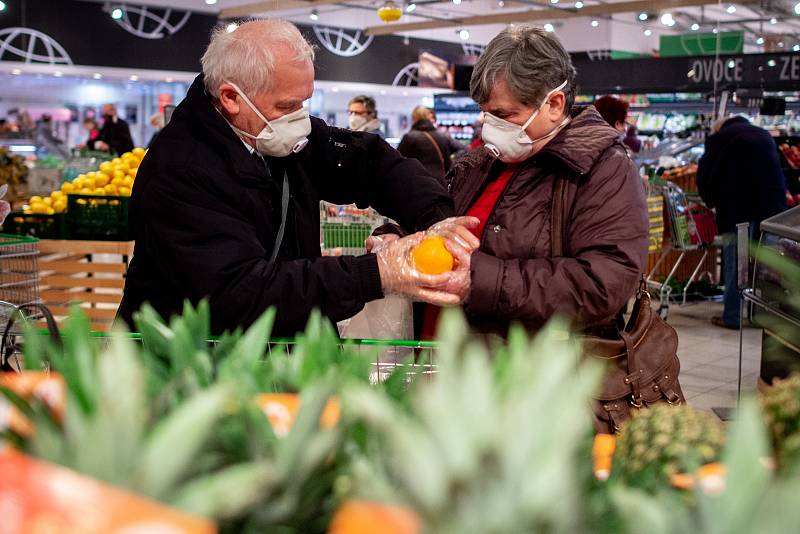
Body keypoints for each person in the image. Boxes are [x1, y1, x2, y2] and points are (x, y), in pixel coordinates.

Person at [118, 19, 476, 336]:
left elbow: (373, 163)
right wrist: (377, 272)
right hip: (188, 368)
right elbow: (240, 293)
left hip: (273, 359)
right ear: (230, 97)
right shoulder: (181, 171)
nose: (300, 119)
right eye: (287, 106)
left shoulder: (279, 137)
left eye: (304, 102)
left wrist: (436, 220)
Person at [417, 25, 648, 339]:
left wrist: (480, 278)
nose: (490, 127)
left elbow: (601, 285)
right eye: (485, 113)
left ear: (553, 104)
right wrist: (401, 236)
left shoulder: (604, 170)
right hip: (451, 366)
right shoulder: (482, 162)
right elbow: (442, 216)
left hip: (530, 374)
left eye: (505, 114)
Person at [697, 116, 787, 330]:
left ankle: (732, 317)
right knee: (767, 265)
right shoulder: (764, 135)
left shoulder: (720, 139)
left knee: (737, 265)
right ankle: (765, 317)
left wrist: (711, 201)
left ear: (719, 128)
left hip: (738, 213)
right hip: (772, 212)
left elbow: (704, 176)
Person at [397, 105, 463, 184]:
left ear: (414, 118)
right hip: (440, 183)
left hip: (417, 183)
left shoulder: (409, 137)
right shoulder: (442, 136)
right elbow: (461, 151)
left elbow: (399, 163)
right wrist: (452, 159)